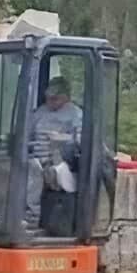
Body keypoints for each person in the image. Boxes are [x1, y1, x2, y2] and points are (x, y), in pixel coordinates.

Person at [25, 75, 83, 234]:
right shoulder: (40, 113)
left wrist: (62, 139)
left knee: (36, 173)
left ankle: (32, 219)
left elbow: (80, 141)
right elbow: (27, 136)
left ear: (65, 97)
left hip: (59, 160)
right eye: (48, 98)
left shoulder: (75, 114)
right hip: (35, 157)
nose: (51, 102)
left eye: (55, 99)